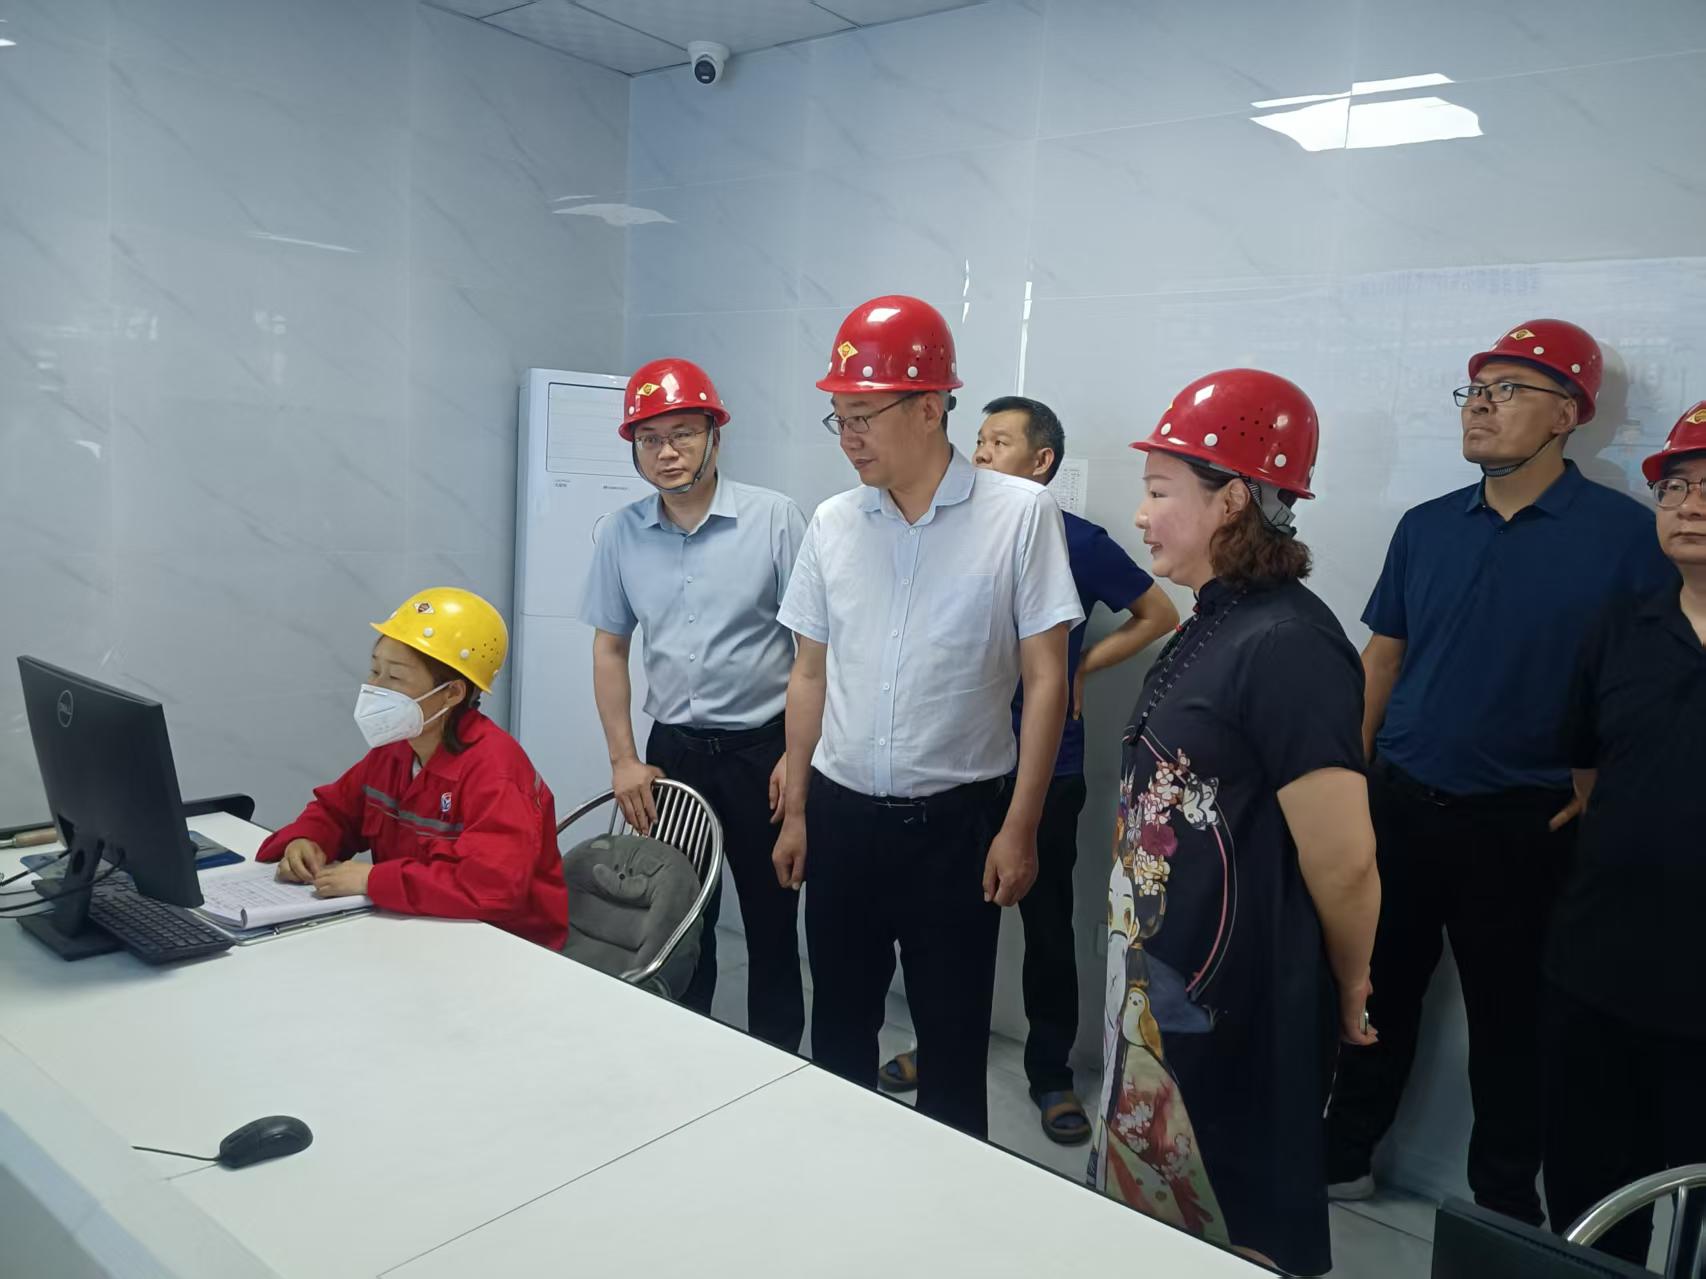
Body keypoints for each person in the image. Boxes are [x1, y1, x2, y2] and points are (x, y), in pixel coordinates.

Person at [1324, 320, 1678, 1222]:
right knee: (1374, 990)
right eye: (1475, 390)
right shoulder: (1427, 526)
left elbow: (1650, 675)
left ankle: (1504, 1204)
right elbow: (1383, 660)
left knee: (1514, 1023)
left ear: (1568, 414)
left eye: (1510, 390)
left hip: (1528, 824)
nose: (1480, 406)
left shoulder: (1628, 538)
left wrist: (1603, 796)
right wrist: (1350, 781)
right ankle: (1344, 1153)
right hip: (1403, 803)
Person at [1089, 368, 1379, 1275]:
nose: (1141, 515)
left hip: (1237, 996)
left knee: (1228, 1216)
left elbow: (1345, 858)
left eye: (1159, 490)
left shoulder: (1289, 643)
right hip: (1160, 978)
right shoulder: (1218, 618)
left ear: (1234, 500)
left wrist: (1352, 981)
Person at [772, 295, 1083, 1139]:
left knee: (951, 1040)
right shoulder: (835, 523)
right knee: (839, 1029)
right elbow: (809, 672)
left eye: (863, 416)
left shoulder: (1019, 515)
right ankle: (839, 1182)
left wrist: (1021, 827)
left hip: (956, 826)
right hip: (841, 817)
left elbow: (1046, 680)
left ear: (931, 406)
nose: (849, 437)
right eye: (839, 417)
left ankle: (948, 1205)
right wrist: (797, 809)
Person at [878, 396, 1180, 1146]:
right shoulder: (946, 531)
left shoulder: (1075, 538)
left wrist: (1082, 666)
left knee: (1047, 927)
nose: (981, 453)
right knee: (947, 926)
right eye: (979, 439)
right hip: (957, 766)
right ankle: (941, 1047)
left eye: (1000, 441)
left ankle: (1051, 1072)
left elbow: (1159, 614)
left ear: (1042, 462)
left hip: (1047, 771)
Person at [579, 357, 807, 1049]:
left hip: (763, 751)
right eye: (650, 439)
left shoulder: (774, 519)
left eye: (682, 433)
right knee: (675, 917)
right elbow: (610, 649)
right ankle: (683, 1051)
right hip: (671, 756)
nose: (667, 452)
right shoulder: (620, 532)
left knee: (772, 919)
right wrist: (623, 759)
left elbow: (817, 652)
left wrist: (799, 756)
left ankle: (774, 1061)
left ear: (715, 435)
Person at [1540, 400, 1706, 1264]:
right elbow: (1588, 770)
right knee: (1591, 1194)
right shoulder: (1621, 627)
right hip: (1601, 969)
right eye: (1676, 486)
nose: (1690, 505)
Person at [260, 588, 568, 951]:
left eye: (394, 678)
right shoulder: (396, 749)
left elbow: (491, 888)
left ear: (452, 693)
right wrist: (307, 841)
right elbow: (337, 811)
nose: (374, 688)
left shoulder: (496, 772)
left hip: (505, 949)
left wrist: (373, 880)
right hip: (416, 931)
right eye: (375, 670)